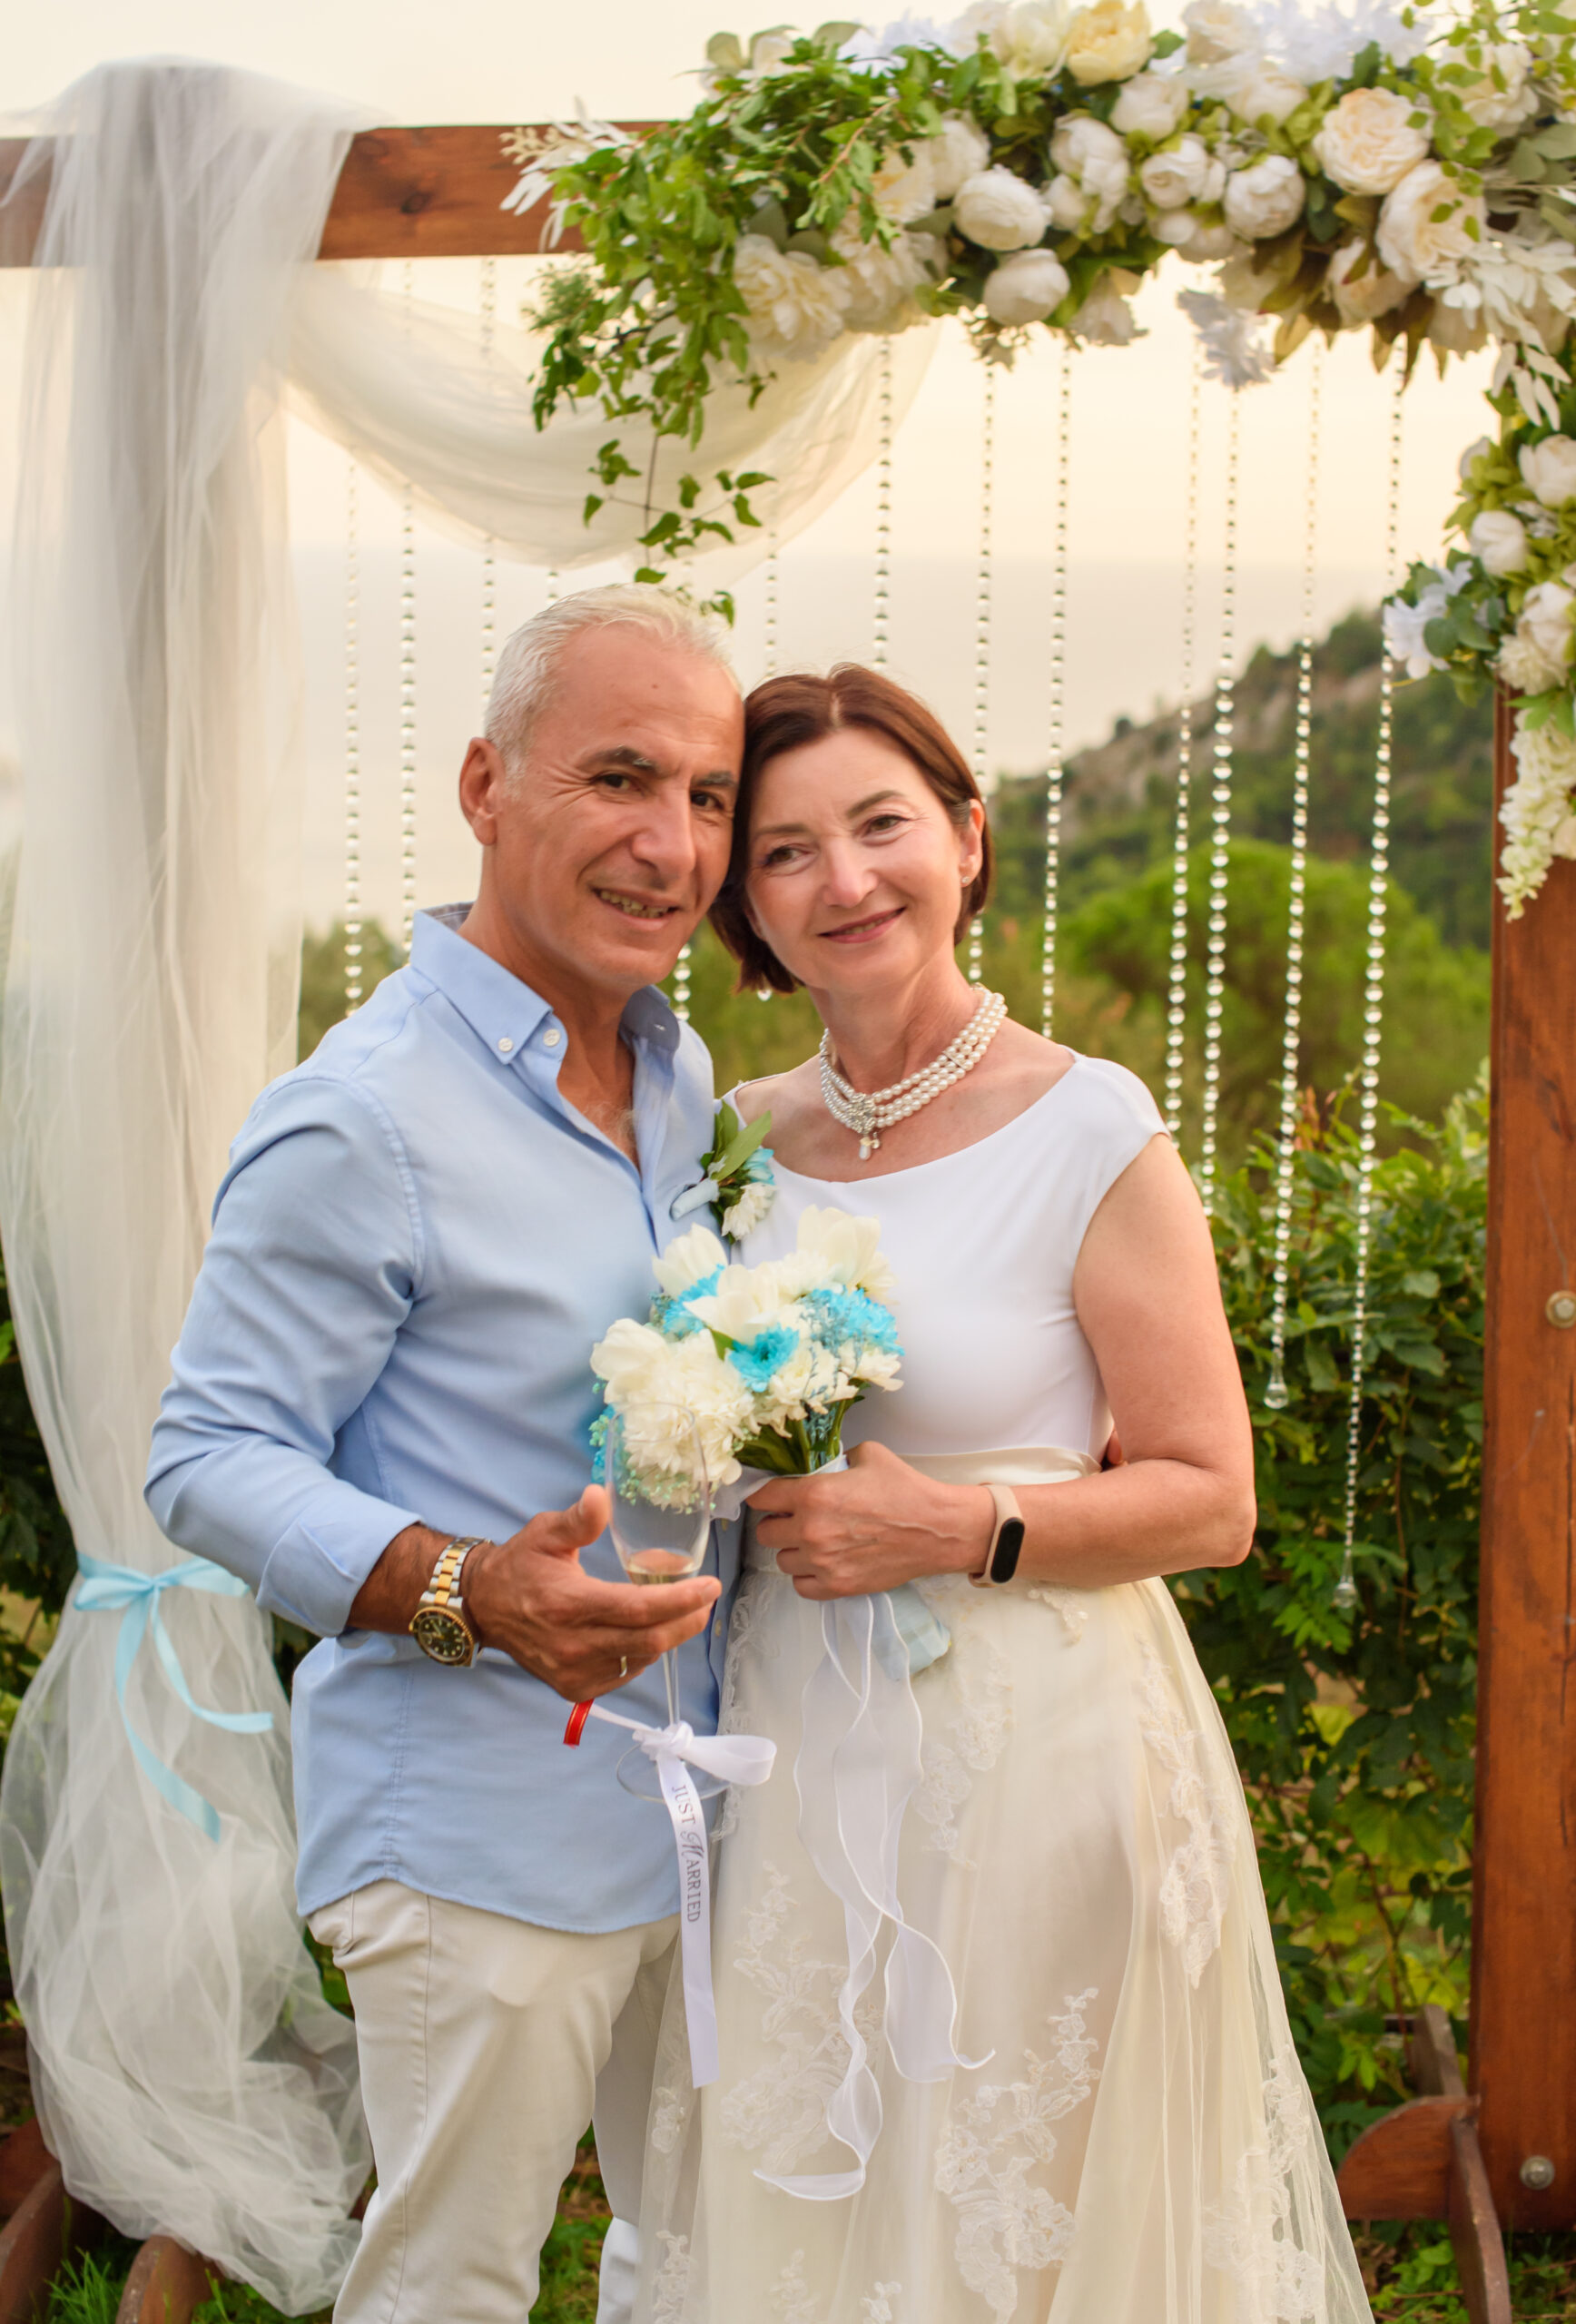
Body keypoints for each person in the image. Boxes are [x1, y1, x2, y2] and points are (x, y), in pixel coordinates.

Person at [635, 665, 1374, 2324]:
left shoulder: (1085, 1126)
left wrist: (971, 1527)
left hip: (1040, 1755)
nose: (845, 880)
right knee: (816, 2192)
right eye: (786, 851)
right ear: (748, 903)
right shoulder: (735, 1142)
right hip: (799, 1746)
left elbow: (1211, 1499)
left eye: (881, 825)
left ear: (966, 839)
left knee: (1014, 2217)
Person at [144, 585, 744, 2324]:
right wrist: (473, 1589)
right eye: (619, 778)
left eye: (707, 796)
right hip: (477, 1836)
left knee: (697, 2274)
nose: (671, 844)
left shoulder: (680, 1077)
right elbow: (206, 1453)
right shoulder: (364, 1114)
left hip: (695, 1812)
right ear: (486, 786)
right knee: (450, 2293)